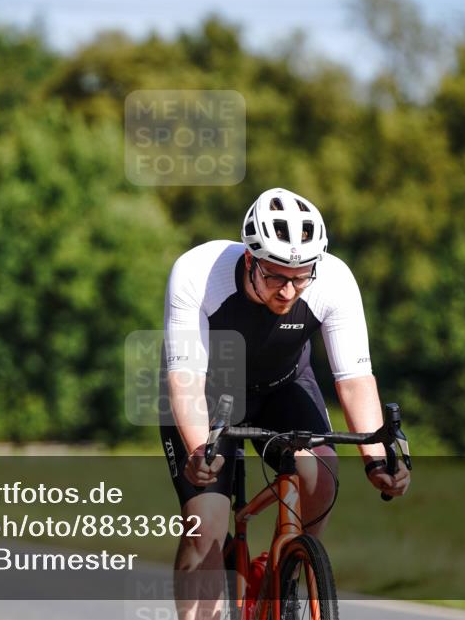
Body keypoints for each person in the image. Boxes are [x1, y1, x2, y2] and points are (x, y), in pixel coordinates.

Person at [159, 187, 410, 619]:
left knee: (322, 474)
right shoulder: (198, 273)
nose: (289, 290)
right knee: (208, 526)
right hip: (207, 393)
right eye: (275, 276)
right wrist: (203, 450)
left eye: (301, 276)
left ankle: (287, 572)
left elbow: (353, 379)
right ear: (250, 259)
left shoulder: (334, 279)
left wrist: (376, 459)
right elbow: (185, 379)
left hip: (283, 386)